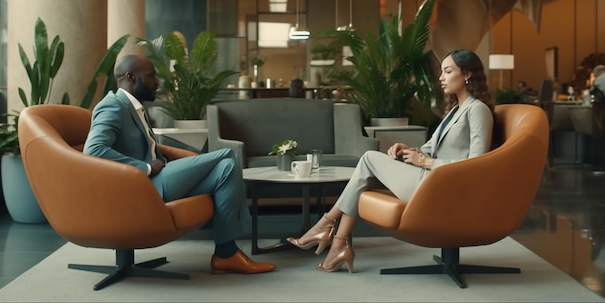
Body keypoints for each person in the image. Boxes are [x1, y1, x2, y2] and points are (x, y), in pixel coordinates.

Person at [286, 49, 495, 273]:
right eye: (442, 72)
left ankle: (327, 227)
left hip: (444, 186)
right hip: (431, 179)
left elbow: (477, 165)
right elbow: (431, 149)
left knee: (368, 159)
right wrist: (409, 151)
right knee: (362, 179)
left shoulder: (477, 110)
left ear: (467, 75)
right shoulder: (455, 110)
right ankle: (338, 243)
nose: (441, 77)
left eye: (448, 71)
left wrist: (425, 162)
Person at [83, 55, 276, 275]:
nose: (157, 82)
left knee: (226, 169)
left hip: (158, 178)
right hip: (144, 185)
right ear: (131, 78)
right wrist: (144, 167)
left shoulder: (135, 107)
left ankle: (226, 254)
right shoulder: (113, 106)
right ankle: (230, 247)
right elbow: (94, 150)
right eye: (151, 76)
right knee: (227, 155)